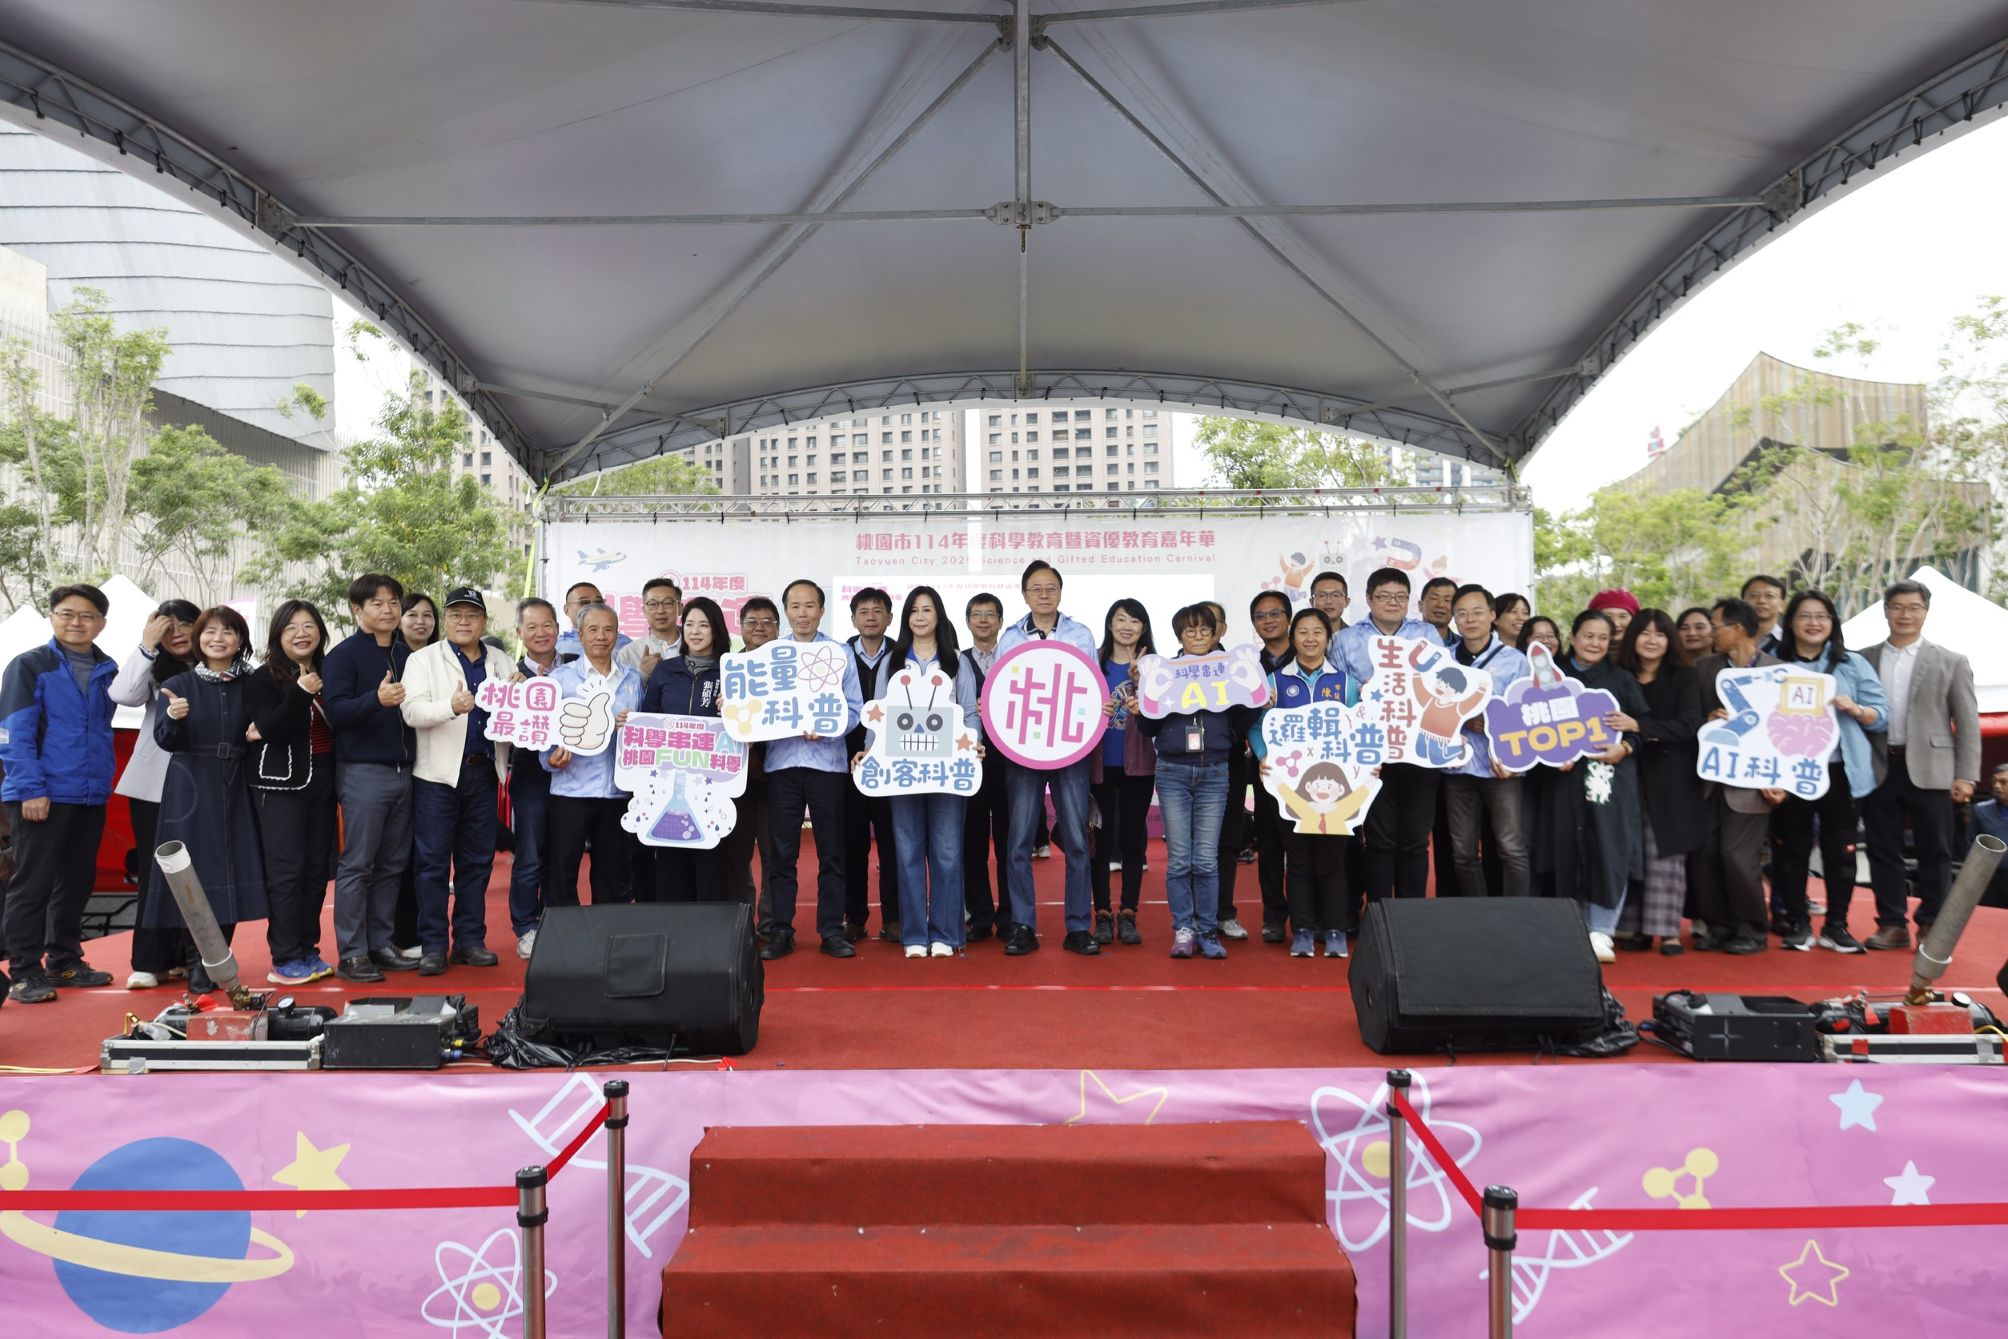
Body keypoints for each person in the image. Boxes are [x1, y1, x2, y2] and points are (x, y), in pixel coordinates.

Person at [1, 583, 119, 1003]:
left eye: (87, 616)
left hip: (89, 793)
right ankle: (23, 971)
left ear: (101, 623)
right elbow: (12, 732)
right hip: (40, 793)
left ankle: (65, 961)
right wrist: (30, 789)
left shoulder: (108, 669)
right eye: (66, 613)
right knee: (32, 884)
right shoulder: (30, 665)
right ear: (52, 617)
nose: (76, 622)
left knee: (77, 882)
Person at [142, 606, 269, 992]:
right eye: (210, 632)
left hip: (238, 783)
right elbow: (165, 740)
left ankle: (218, 957)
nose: (218, 638)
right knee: (189, 872)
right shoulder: (178, 683)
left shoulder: (255, 683)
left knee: (231, 870)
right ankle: (197, 960)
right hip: (190, 785)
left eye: (228, 632)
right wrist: (173, 717)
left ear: (240, 640)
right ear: (198, 639)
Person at [1858, 579, 1981, 949]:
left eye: (1914, 607)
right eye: (1897, 607)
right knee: (1881, 849)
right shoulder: (1862, 658)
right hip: (1879, 765)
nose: (1905, 615)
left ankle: (1931, 926)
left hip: (1933, 769)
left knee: (1936, 851)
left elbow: (1968, 721)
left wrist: (1966, 775)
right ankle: (1892, 924)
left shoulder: (1951, 660)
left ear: (1926, 612)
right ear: (1885, 611)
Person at [402, 587, 515, 975]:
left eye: (472, 615)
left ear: (483, 622)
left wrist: (521, 695)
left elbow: (516, 717)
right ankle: (433, 945)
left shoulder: (501, 660)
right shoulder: (423, 659)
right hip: (436, 775)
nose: (464, 622)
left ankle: (470, 940)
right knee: (432, 863)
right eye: (456, 615)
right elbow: (412, 711)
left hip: (483, 771)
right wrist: (449, 707)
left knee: (477, 862)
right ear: (445, 620)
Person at [1769, 590, 1887, 953]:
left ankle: (1837, 925)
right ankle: (1798, 924)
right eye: (1805, 615)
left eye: (1822, 616)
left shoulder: (1852, 663)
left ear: (1832, 623)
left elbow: (1882, 716)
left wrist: (1856, 709)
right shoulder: (1770, 662)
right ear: (1790, 622)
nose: (1813, 623)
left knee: (1841, 851)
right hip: (1790, 772)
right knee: (1792, 849)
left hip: (1841, 771)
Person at [1139, 604, 1259, 959]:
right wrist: (1140, 706)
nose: (1197, 636)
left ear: (1215, 634)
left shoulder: (1228, 671)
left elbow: (1241, 719)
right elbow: (1149, 726)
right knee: (1179, 859)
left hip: (1215, 771)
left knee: (1206, 858)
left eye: (1204, 630)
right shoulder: (1164, 672)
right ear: (1179, 636)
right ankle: (1183, 929)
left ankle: (1207, 930)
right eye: (1189, 631)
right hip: (1173, 771)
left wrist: (1258, 702)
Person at [866, 586, 981, 957]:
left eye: (927, 609)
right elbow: (878, 713)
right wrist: (869, 753)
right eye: (914, 610)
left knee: (947, 852)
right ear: (906, 618)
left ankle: (946, 933)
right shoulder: (893, 662)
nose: (920, 616)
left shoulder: (957, 661)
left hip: (948, 771)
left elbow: (970, 712)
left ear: (938, 616)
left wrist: (975, 743)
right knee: (907, 851)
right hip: (902, 771)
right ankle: (915, 933)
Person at [996, 560, 1103, 956]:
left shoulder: (1080, 634)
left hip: (1069, 748)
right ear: (1025, 595)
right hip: (1022, 749)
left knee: (1077, 839)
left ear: (1060, 592)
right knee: (1019, 842)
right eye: (1036, 588)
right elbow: (1001, 690)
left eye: (1050, 587)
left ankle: (1078, 926)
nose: (1043, 594)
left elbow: (1093, 689)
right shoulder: (1010, 638)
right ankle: (1023, 926)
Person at [1534, 610, 1647, 963]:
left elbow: (1640, 728)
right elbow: (1529, 724)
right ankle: (1568, 926)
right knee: (1563, 845)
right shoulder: (1552, 676)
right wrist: (1550, 753)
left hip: (1608, 775)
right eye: (1588, 635)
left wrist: (1625, 746)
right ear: (1573, 637)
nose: (1595, 643)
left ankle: (1601, 930)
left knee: (1609, 846)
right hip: (1561, 777)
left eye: (1602, 637)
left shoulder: (1622, 678)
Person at [760, 579, 863, 959]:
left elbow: (854, 708)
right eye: (795, 606)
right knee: (782, 853)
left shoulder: (839, 653)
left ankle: (832, 930)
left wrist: (830, 726)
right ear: (786, 611)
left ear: (821, 610)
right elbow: (756, 706)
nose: (802, 613)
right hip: (783, 763)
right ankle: (781, 930)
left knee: (832, 852)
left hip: (827, 764)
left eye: (809, 606)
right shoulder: (770, 655)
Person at [323, 573, 418, 984]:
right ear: (357, 610)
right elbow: (336, 712)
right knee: (358, 864)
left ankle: (381, 943)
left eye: (393, 602)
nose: (387, 610)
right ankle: (352, 953)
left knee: (393, 864)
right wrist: (375, 700)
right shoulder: (343, 656)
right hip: (363, 772)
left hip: (406, 771)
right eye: (377, 603)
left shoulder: (408, 654)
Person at [244, 600, 339, 986]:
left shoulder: (331, 671)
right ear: (277, 635)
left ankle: (307, 948)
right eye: (291, 628)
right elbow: (272, 728)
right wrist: (300, 691)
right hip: (281, 784)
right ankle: (284, 956)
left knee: (317, 870)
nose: (302, 634)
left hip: (325, 780)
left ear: (320, 632)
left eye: (309, 626)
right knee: (287, 872)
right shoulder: (264, 677)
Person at [1333, 567, 1441, 901]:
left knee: (1415, 841)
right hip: (1372, 753)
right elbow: (1337, 693)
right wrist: (1363, 691)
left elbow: (1442, 682)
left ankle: (1412, 917)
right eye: (1384, 596)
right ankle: (1379, 914)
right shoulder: (1347, 639)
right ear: (1368, 599)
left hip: (1420, 750)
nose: (1393, 602)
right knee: (1379, 841)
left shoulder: (1426, 634)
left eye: (1400, 597)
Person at [110, 599, 200, 989]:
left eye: (185, 624)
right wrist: (146, 645)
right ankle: (149, 961)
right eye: (167, 627)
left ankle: (191, 956)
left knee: (200, 871)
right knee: (155, 870)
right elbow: (121, 694)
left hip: (206, 784)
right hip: (154, 786)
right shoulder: (153, 669)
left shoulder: (221, 666)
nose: (176, 633)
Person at [1256, 608, 1356, 957]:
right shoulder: (1274, 682)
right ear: (1292, 637)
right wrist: (1263, 754)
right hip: (1290, 786)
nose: (1310, 638)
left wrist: (1368, 765)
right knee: (1297, 860)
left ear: (1328, 639)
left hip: (1337, 789)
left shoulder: (1345, 683)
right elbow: (1258, 724)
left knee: (1332, 860)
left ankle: (1335, 929)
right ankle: (1301, 930)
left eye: (1318, 632)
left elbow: (1361, 728)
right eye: (1303, 632)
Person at [1609, 609, 1705, 955]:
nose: (1652, 640)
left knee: (1666, 853)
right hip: (1624, 772)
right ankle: (1633, 928)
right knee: (1631, 850)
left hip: (1670, 777)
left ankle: (1667, 931)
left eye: (1660, 634)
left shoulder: (1684, 676)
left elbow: (1689, 725)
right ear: (1632, 637)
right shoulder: (1618, 675)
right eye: (1645, 633)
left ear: (1670, 640)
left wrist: (1639, 727)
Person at [1689, 598, 1780, 954]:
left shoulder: (1779, 672)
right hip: (1708, 779)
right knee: (1706, 854)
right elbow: (1688, 720)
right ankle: (1718, 926)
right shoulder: (1703, 669)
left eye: (1716, 626)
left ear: (1737, 629)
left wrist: (1782, 781)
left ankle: (1752, 928)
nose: (1711, 633)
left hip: (1755, 781)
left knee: (1736, 854)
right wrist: (1707, 720)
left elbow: (1790, 733)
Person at [541, 603, 643, 906]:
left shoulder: (632, 679)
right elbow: (546, 731)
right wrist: (549, 759)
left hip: (616, 791)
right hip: (570, 789)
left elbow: (644, 732)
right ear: (580, 635)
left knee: (612, 872)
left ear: (617, 634)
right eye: (593, 630)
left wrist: (630, 727)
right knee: (562, 869)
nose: (601, 636)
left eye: (608, 629)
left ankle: (607, 932)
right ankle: (565, 932)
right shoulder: (560, 679)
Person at [1441, 584, 1532, 899]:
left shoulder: (1515, 661)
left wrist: (1492, 723)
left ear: (1492, 615)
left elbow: (1527, 712)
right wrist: (1464, 718)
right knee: (1462, 852)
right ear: (1454, 618)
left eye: (1477, 612)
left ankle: (1518, 916)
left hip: (1502, 767)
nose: (1470, 619)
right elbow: (1428, 708)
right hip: (1457, 768)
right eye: (1462, 613)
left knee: (1511, 847)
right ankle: (1478, 915)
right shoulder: (1442, 660)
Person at [641, 596, 731, 902]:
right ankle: (672, 927)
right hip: (669, 782)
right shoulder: (666, 671)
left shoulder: (731, 671)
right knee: (670, 862)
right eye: (689, 624)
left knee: (711, 863)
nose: (695, 631)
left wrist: (734, 710)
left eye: (703, 625)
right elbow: (648, 719)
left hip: (714, 785)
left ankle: (709, 928)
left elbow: (746, 726)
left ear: (716, 630)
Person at [506, 597, 573, 959]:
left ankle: (556, 920)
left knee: (561, 853)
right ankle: (525, 926)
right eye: (531, 627)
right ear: (519, 632)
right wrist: (512, 695)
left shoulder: (576, 668)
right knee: (530, 852)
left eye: (547, 625)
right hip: (531, 774)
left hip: (573, 773)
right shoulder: (511, 676)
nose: (541, 633)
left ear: (558, 629)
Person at [1092, 598, 1156, 946]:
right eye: (1120, 619)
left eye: (1134, 620)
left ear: (1143, 628)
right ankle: (1102, 914)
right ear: (1110, 624)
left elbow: (1161, 718)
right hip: (1098, 765)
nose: (1127, 626)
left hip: (1139, 766)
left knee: (1133, 842)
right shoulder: (1092, 662)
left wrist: (1144, 686)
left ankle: (1129, 912)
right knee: (1099, 843)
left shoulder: (1155, 667)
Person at [842, 587, 900, 941]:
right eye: (863, 611)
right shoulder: (838, 656)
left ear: (889, 618)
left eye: (877, 611)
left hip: (892, 762)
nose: (870, 617)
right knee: (853, 843)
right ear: (853, 619)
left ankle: (894, 917)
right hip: (848, 761)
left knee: (893, 842)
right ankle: (855, 917)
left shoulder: (903, 656)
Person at [961, 592, 1013, 943]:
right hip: (971, 762)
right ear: (968, 621)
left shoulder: (1015, 659)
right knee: (972, 842)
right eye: (976, 614)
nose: (983, 620)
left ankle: (1009, 915)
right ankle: (980, 915)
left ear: (1000, 621)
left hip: (1011, 763)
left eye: (990, 614)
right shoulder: (957, 661)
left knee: (1010, 842)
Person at [1202, 599, 1254, 938]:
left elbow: (1247, 715)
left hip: (1228, 763)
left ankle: (1224, 912)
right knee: (1193, 846)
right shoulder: (1173, 668)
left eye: (1210, 624)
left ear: (1222, 629)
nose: (1201, 631)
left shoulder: (1238, 667)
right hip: (1186, 767)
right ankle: (1194, 916)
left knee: (1227, 841)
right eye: (1194, 625)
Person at [1247, 588, 1296, 941]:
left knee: (1306, 844)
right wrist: (1261, 752)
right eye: (1261, 616)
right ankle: (1274, 917)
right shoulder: (1249, 666)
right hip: (1265, 766)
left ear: (1289, 618)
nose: (1268, 620)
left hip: (1310, 767)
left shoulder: (1309, 653)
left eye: (1275, 613)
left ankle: (1309, 915)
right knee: (1269, 842)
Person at [737, 597, 781, 928]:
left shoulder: (789, 668)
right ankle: (740, 922)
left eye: (767, 622)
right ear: (740, 627)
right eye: (752, 621)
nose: (760, 627)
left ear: (778, 629)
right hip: (736, 777)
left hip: (778, 776)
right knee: (737, 855)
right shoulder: (728, 667)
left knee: (774, 853)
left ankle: (770, 923)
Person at [616, 577, 682, 678]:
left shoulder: (695, 648)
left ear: (680, 608)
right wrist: (643, 674)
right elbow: (621, 688)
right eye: (653, 604)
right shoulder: (628, 653)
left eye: (668, 603)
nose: (660, 610)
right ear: (644, 610)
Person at [556, 581, 633, 659]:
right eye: (584, 602)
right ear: (567, 610)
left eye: (599, 602)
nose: (593, 607)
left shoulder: (624, 643)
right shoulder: (556, 647)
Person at [1972, 764, 2008, 906]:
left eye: (2003, 782)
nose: (1997, 786)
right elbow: (1971, 847)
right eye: (1994, 782)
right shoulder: (1981, 811)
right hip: (1990, 880)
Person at [1741, 575, 1788, 652]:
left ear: (1782, 605)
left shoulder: (1790, 642)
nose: (1761, 601)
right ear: (1742, 603)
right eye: (1754, 595)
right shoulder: (1729, 639)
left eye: (1770, 596)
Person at [1418, 576, 1457, 644]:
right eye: (1434, 598)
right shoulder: (1403, 638)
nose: (1440, 605)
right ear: (1420, 605)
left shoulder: (1464, 646)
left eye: (1447, 600)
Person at [1309, 570, 1350, 636]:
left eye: (1335, 595)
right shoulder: (1300, 639)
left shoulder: (1358, 639)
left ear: (1346, 602)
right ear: (1311, 602)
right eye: (1322, 595)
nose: (1329, 601)